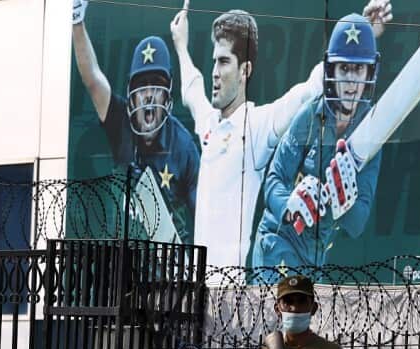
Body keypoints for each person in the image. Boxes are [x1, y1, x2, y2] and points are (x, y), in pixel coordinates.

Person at [169, 1, 392, 269]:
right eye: (214, 62)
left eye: (224, 62)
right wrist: (181, 46)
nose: (214, 73)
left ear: (245, 70)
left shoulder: (257, 124)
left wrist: (344, 200)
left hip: (248, 273)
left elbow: (309, 89)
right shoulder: (209, 123)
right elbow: (192, 91)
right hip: (208, 273)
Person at [253, 14, 383, 274]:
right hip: (279, 241)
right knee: (274, 314)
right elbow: (273, 180)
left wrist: (344, 203)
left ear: (370, 71)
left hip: (315, 256)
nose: (350, 81)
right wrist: (290, 204)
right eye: (344, 68)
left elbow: (357, 223)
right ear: (331, 70)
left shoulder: (372, 129)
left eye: (358, 69)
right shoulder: (310, 117)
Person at [73, 0, 200, 243]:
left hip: (167, 265)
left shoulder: (183, 146)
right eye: (142, 86)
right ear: (131, 94)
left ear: (167, 95)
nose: (149, 95)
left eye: (157, 86)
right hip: (123, 262)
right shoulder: (120, 121)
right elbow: (93, 78)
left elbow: (202, 217)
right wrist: (77, 22)